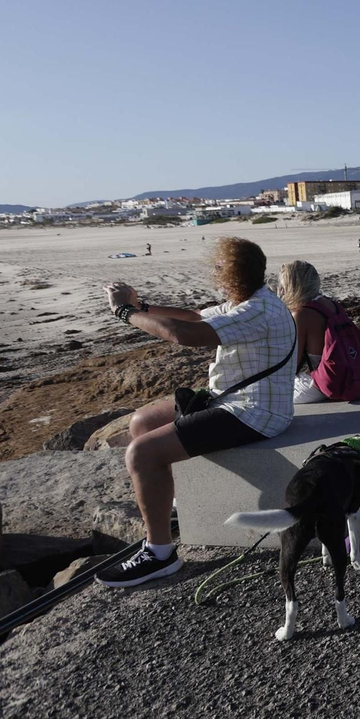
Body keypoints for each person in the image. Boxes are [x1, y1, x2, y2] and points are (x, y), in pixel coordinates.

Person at [96, 236, 295, 587]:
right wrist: (142, 305)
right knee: (142, 422)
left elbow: (183, 334)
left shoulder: (256, 311)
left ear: (231, 273)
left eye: (218, 268)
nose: (213, 273)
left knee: (140, 453)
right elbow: (193, 316)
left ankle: (160, 554)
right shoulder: (250, 301)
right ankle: (168, 506)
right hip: (236, 400)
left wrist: (125, 312)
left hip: (255, 412)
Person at [276, 260, 333, 405]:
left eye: (283, 286)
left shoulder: (300, 314)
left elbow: (292, 363)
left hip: (314, 384)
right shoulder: (328, 304)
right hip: (336, 375)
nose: (281, 291)